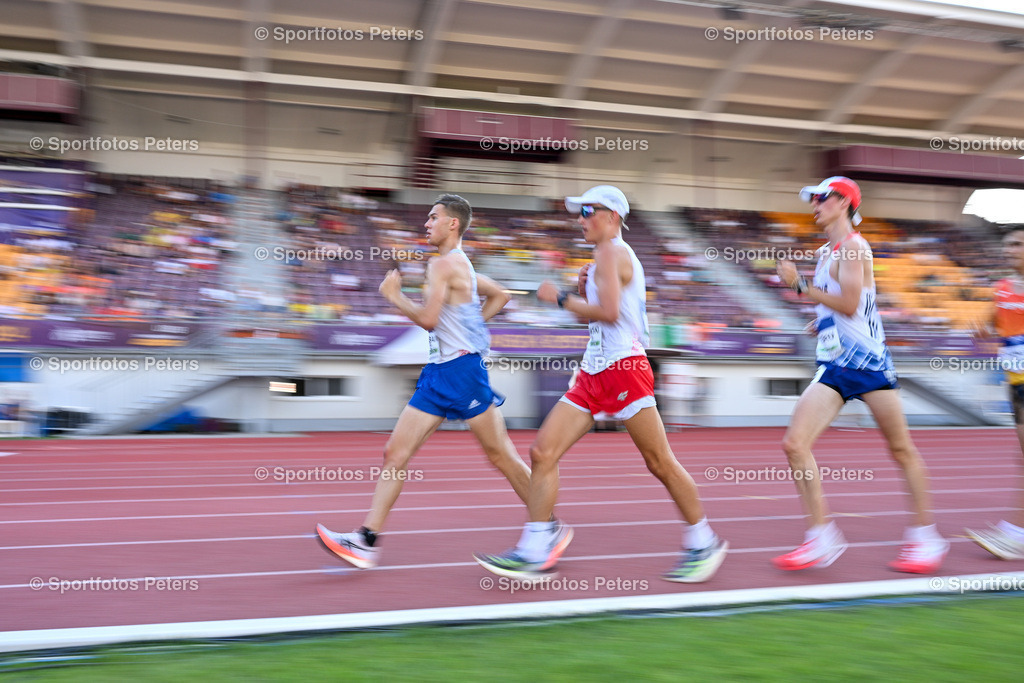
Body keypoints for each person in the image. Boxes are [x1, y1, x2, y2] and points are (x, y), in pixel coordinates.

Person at [474, 185, 728, 582]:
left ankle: (703, 541)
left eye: (587, 211)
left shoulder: (612, 252)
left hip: (624, 367)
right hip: (594, 370)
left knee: (659, 461)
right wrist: (581, 292)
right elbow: (595, 316)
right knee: (542, 452)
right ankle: (538, 546)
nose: (580, 219)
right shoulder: (601, 258)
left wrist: (560, 298)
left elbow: (609, 313)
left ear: (612, 216)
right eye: (579, 212)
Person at [316, 194, 533, 568]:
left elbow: (429, 320)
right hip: (437, 373)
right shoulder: (461, 265)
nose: (426, 223)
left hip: (462, 372)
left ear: (453, 223)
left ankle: (546, 525)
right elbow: (501, 294)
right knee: (395, 453)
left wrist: (395, 297)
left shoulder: (443, 264)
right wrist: (471, 326)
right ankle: (365, 540)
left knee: (501, 456)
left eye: (433, 217)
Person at [774, 176, 948, 574]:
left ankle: (926, 537)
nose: (814, 205)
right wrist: (822, 322)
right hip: (835, 364)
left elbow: (851, 303)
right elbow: (843, 306)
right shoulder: (826, 252)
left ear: (843, 202)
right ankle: (821, 537)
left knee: (900, 449)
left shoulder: (855, 247)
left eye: (821, 198)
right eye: (813, 199)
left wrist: (798, 285)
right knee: (794, 444)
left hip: (869, 363)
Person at [964, 226, 1024, 559]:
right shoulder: (1001, 288)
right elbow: (991, 326)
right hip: (1016, 380)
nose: (1009, 249)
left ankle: (1016, 534)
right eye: (1007, 245)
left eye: (1017, 244)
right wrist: (982, 331)